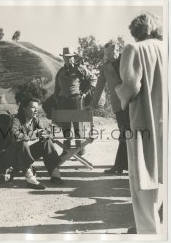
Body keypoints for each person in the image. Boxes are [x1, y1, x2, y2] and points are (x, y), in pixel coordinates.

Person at [115, 12, 163, 234]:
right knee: (163, 180)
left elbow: (130, 87)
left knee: (143, 186)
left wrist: (118, 92)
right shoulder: (166, 48)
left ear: (136, 31)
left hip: (144, 124)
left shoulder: (134, 49)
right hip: (165, 124)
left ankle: (148, 234)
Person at [0, 97, 63, 189]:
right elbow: (16, 137)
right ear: (24, 108)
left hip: (20, 156)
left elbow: (49, 134)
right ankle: (30, 178)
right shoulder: (16, 120)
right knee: (22, 143)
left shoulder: (35, 120)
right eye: (33, 107)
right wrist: (35, 135)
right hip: (5, 159)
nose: (36, 110)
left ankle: (55, 173)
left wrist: (47, 135)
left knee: (46, 142)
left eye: (37, 108)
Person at [89, 38, 130, 174]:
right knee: (125, 134)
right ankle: (121, 166)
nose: (108, 56)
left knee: (129, 134)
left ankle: (121, 166)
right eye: (106, 54)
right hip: (118, 105)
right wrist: (93, 105)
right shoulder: (105, 66)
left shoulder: (128, 60)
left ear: (118, 50)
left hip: (132, 103)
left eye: (111, 53)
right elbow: (100, 85)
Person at [54, 47, 96, 156]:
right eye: (66, 57)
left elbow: (93, 79)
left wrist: (85, 93)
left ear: (73, 57)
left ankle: (80, 149)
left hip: (76, 100)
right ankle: (66, 149)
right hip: (63, 101)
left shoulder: (80, 69)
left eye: (70, 57)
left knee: (78, 126)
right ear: (63, 58)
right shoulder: (60, 72)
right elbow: (56, 87)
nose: (69, 59)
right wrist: (57, 98)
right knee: (66, 126)